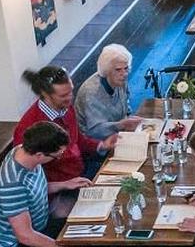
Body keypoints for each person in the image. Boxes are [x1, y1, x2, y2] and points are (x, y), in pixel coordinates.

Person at [15, 66, 118, 215]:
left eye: (71, 91)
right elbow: (27, 181)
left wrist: (102, 145)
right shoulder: (29, 127)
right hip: (57, 194)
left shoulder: (66, 108)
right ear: (45, 94)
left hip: (81, 174)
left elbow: (77, 141)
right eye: (63, 95)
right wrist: (63, 186)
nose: (70, 98)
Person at [75, 44, 142, 140]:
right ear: (107, 70)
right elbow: (94, 130)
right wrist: (121, 125)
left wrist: (129, 119)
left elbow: (126, 107)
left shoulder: (120, 81)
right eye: (118, 69)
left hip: (118, 135)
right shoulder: (91, 92)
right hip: (95, 145)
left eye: (126, 68)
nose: (124, 74)